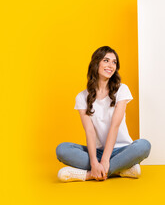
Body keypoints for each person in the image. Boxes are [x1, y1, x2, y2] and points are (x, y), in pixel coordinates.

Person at [56, 46, 151, 182]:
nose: (111, 65)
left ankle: (88, 175)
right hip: (98, 151)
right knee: (62, 149)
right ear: (96, 63)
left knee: (144, 145)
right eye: (106, 60)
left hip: (123, 150)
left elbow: (115, 126)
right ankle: (120, 170)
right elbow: (89, 131)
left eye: (114, 62)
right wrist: (94, 161)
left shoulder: (122, 90)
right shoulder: (82, 97)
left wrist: (105, 160)